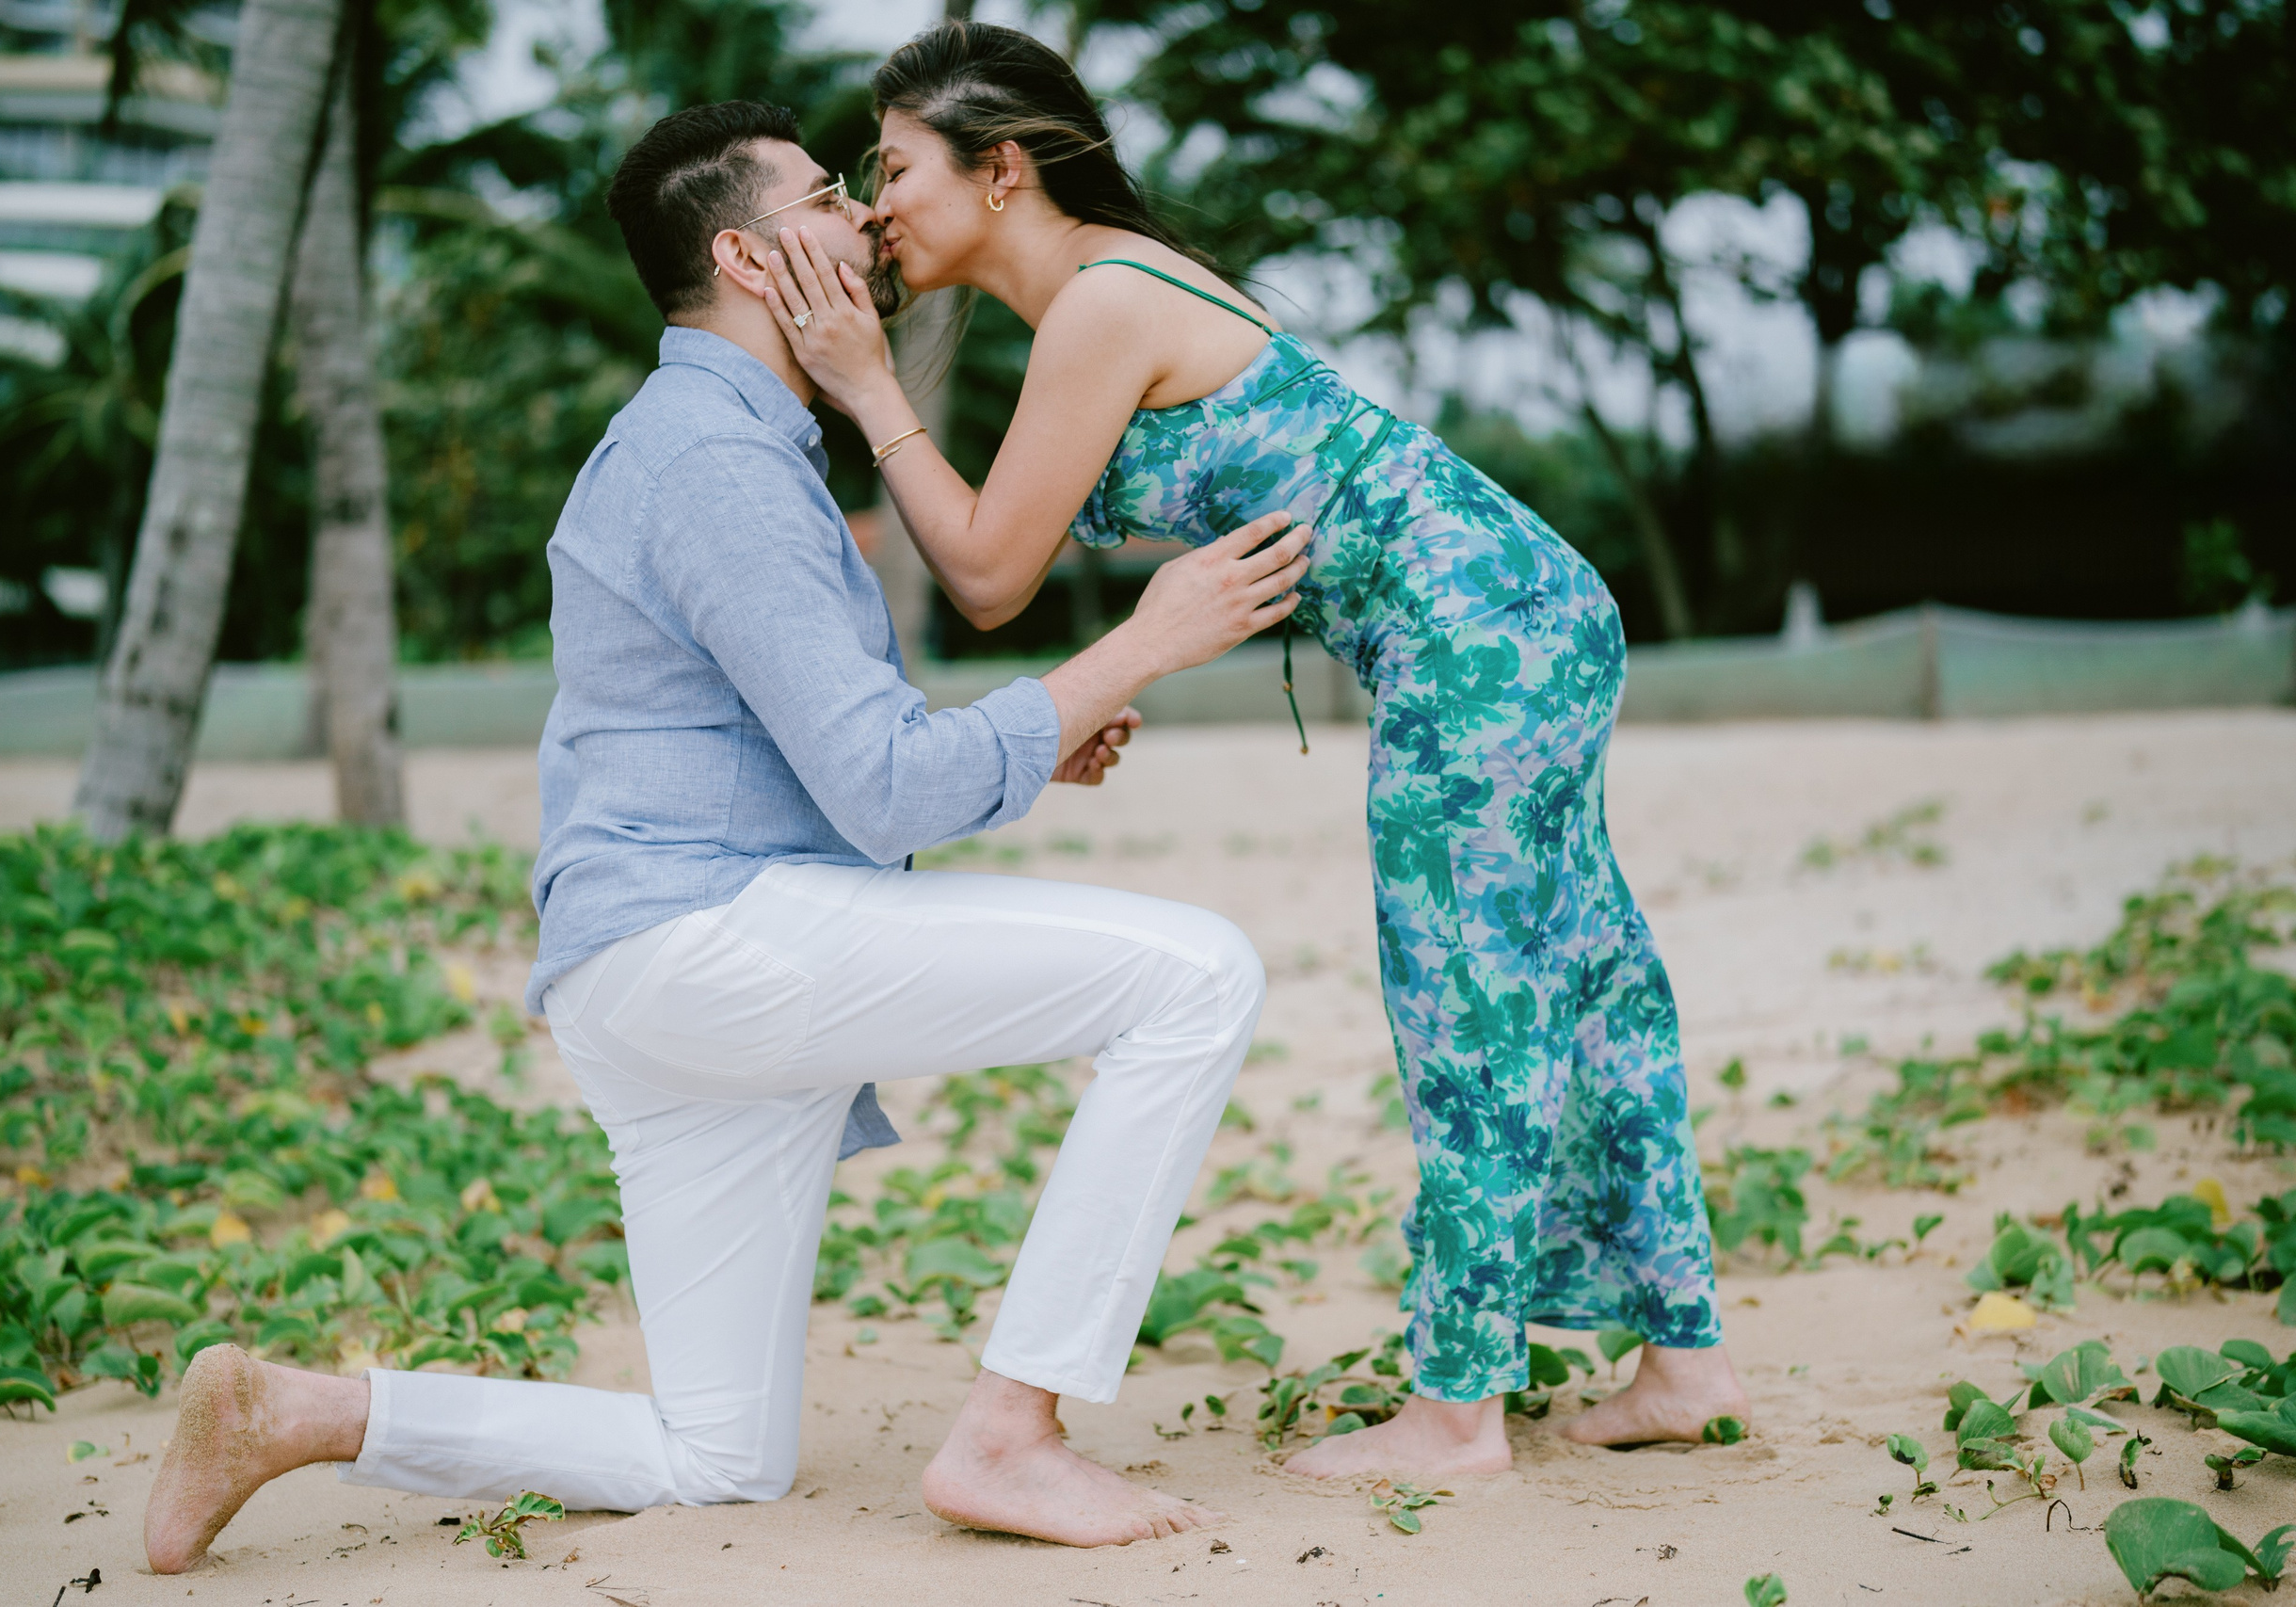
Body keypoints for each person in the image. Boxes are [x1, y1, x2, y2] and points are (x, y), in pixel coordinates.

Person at [140, 100, 1318, 1573]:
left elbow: (829, 750)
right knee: (1194, 974)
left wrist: (1028, 740)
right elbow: (884, 791)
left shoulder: (716, 443)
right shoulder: (714, 459)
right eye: (834, 196)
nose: (869, 218)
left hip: (657, 973)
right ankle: (1014, 1433)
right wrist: (1139, 644)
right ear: (755, 259)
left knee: (718, 1456)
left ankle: (301, 1413)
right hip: (707, 943)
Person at [762, 21, 1749, 1482]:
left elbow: (986, 577)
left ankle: (1461, 1411)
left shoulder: (1100, 299)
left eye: (893, 167)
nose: (875, 201)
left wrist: (868, 384)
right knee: (1583, 970)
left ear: (1003, 171)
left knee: (1468, 995)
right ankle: (1683, 1363)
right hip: (1512, 615)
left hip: (1478, 635)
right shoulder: (1095, 300)